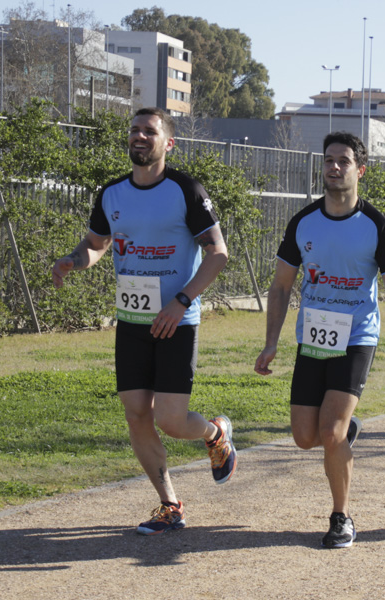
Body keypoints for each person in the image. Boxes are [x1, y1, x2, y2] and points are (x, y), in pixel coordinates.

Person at [51, 107, 237, 536]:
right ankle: (169, 505)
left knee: (171, 421)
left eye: (149, 131)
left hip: (176, 321)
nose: (139, 136)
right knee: (137, 413)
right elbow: (96, 244)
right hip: (133, 321)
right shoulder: (112, 194)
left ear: (167, 143)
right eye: (134, 129)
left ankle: (215, 434)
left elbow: (218, 253)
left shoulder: (185, 189)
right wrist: (73, 261)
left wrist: (181, 301)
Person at [254, 132, 385, 549]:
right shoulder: (303, 222)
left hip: (357, 337)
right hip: (314, 338)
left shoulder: (376, 226)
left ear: (360, 170)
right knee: (304, 437)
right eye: (328, 160)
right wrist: (271, 343)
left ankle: (341, 517)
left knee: (329, 432)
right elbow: (280, 286)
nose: (334, 167)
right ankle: (345, 430)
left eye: (343, 161)